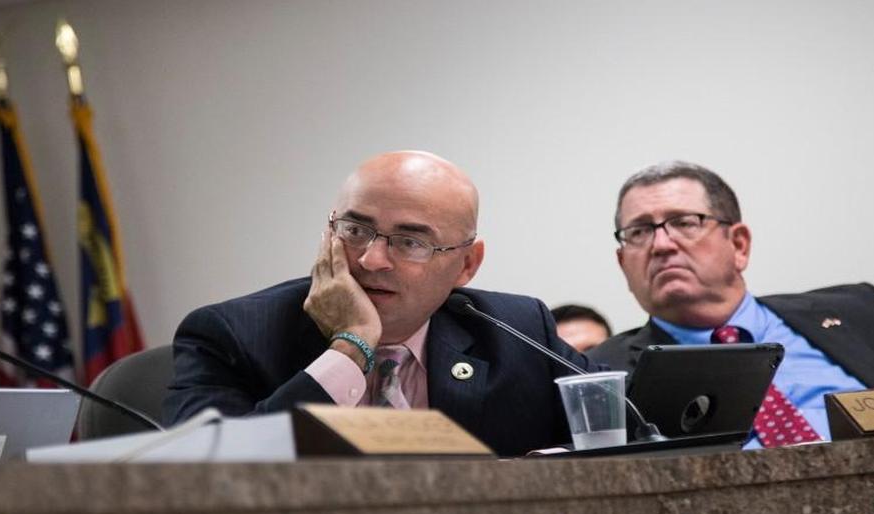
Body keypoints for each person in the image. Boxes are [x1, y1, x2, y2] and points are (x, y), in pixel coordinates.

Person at [163, 151, 591, 456]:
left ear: (466, 265)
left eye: (410, 242)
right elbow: (198, 473)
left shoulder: (517, 331)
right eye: (354, 230)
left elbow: (633, 428)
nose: (371, 259)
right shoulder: (233, 334)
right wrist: (350, 348)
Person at [588, 160, 874, 449]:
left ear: (739, 245)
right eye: (639, 232)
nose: (662, 244)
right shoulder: (603, 377)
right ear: (624, 264)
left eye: (685, 222)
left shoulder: (862, 311)